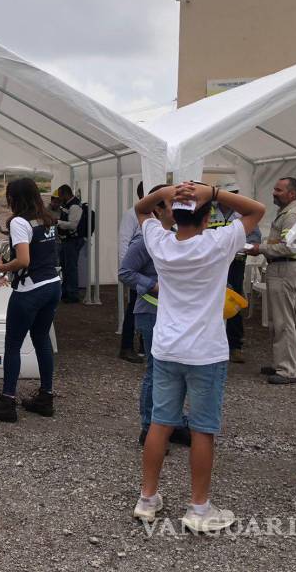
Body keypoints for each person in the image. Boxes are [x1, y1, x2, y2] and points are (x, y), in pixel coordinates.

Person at [132, 181, 265, 533]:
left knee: (161, 423)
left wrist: (169, 192)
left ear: (173, 217)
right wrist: (214, 192)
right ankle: (199, 507)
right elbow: (256, 210)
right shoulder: (218, 243)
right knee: (203, 430)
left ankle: (147, 499)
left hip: (166, 347)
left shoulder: (160, 243)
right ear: (208, 218)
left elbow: (141, 210)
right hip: (205, 351)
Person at [118, 184, 191, 448]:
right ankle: (149, 427)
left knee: (177, 370)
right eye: (173, 203)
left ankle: (175, 423)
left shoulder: (176, 236)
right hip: (150, 312)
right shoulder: (144, 240)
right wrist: (153, 285)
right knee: (155, 371)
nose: (180, 209)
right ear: (159, 209)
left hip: (174, 313)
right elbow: (125, 272)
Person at [0, 178, 60, 422]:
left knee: (13, 343)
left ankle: (7, 401)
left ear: (13, 198)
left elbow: (24, 260)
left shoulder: (19, 221)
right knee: (41, 339)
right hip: (52, 284)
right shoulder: (47, 218)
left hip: (30, 289)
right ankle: (45, 396)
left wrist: (3, 266)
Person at [246, 177, 296, 384]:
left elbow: (289, 247)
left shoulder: (292, 216)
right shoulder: (285, 214)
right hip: (278, 268)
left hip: (284, 268)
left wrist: (258, 248)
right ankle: (281, 364)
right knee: (276, 321)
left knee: (283, 321)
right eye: (274, 188)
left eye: (278, 190)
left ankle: (287, 370)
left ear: (292, 194)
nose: (274, 192)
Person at [207, 181, 262, 363]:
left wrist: (246, 246)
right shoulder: (210, 211)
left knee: (234, 299)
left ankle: (235, 345)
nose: (233, 196)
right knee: (211, 299)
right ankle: (211, 342)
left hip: (235, 262)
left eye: (235, 193)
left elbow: (255, 237)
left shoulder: (242, 213)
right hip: (213, 264)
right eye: (230, 193)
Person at [118, 182, 145, 363]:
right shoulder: (132, 214)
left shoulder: (158, 215)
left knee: (148, 309)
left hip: (152, 270)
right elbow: (123, 241)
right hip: (138, 269)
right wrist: (124, 270)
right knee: (135, 308)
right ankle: (126, 346)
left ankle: (145, 345)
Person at [55, 184, 84, 304]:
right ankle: (66, 292)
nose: (59, 198)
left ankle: (73, 294)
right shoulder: (67, 205)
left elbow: (73, 225)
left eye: (60, 195)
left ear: (65, 194)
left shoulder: (75, 206)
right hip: (66, 240)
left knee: (71, 268)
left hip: (73, 240)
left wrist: (57, 222)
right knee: (65, 267)